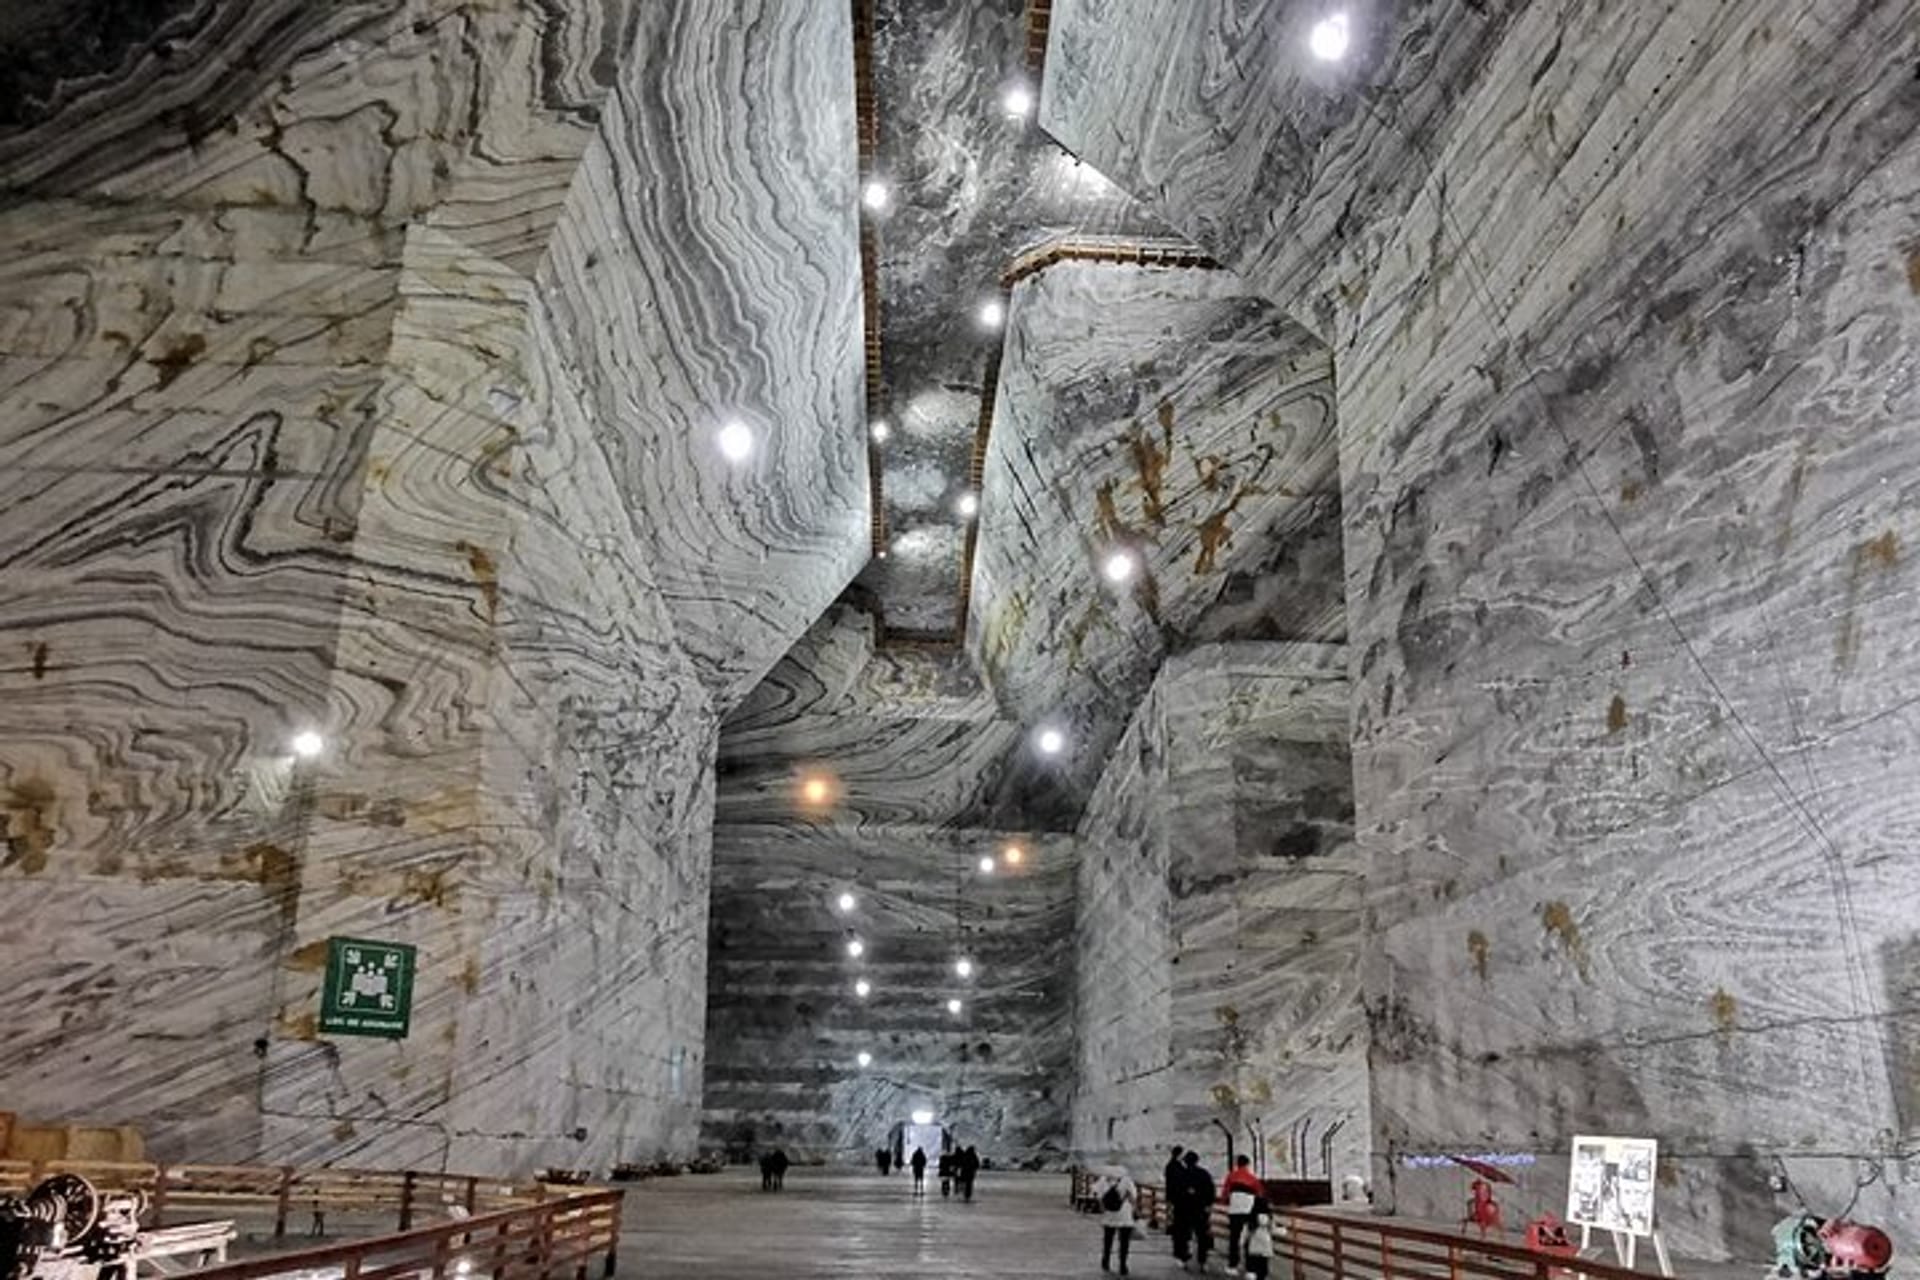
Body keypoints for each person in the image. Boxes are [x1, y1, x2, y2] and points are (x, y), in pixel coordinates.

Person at [1173, 1151, 1215, 1271]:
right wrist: (1208, 1205)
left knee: (1183, 1235)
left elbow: (1175, 1193)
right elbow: (1211, 1192)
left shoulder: (1179, 1174)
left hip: (1183, 1210)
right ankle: (1202, 1261)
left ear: (1185, 1161)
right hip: (1200, 1210)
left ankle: (1183, 1259)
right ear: (1197, 1161)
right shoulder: (1204, 1174)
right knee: (1202, 1236)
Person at [1222, 1154, 1264, 1273]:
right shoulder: (1253, 1178)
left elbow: (1225, 1195)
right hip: (1249, 1211)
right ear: (1247, 1164)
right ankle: (1250, 1269)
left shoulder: (1231, 1176)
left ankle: (1232, 1265)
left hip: (1235, 1211)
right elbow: (1260, 1195)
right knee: (1249, 1239)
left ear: (1237, 1164)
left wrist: (1229, 1202)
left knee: (1234, 1238)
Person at [1094, 1164, 1138, 1275]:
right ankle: (1123, 1264)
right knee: (1124, 1241)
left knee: (1108, 1239)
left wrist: (1102, 1207)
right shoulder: (1127, 1180)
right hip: (1125, 1214)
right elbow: (1133, 1196)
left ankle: (1106, 1261)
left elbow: (1098, 1195)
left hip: (1109, 1215)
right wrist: (1135, 1209)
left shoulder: (1104, 1179)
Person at [1244, 1196, 1275, 1279]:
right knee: (1263, 1266)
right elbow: (1273, 1229)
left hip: (1253, 1244)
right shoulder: (1268, 1217)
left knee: (1252, 1265)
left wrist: (1242, 1242)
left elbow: (1246, 1232)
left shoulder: (1252, 1217)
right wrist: (1284, 1231)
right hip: (1265, 1243)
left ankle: (1251, 1274)